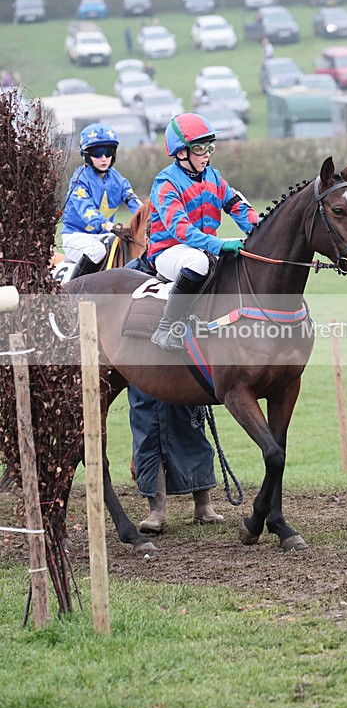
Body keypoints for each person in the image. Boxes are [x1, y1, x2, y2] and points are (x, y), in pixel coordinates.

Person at [148, 112, 259, 352]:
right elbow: (180, 229)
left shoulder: (214, 177)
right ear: (181, 152)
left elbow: (238, 206)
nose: (207, 153)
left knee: (244, 256)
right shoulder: (166, 182)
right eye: (199, 148)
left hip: (203, 247)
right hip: (169, 251)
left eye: (210, 146)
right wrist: (218, 245)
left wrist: (261, 231)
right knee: (198, 262)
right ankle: (166, 329)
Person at [128, 385, 224, 532]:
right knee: (149, 438)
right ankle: (157, 512)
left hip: (180, 375)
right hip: (143, 374)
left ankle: (203, 505)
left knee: (191, 433)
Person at [61, 123, 143, 279]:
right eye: (98, 153)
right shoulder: (79, 180)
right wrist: (109, 226)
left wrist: (148, 218)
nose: (104, 158)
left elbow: (133, 201)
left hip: (103, 235)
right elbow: (87, 212)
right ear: (86, 154)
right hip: (75, 236)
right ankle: (73, 290)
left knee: (127, 246)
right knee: (97, 252)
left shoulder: (118, 179)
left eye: (108, 151)